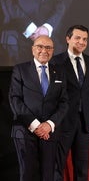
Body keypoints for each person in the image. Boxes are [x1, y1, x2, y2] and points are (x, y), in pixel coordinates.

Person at [9, 35, 69, 181]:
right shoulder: (20, 70)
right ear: (33, 49)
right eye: (40, 47)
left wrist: (49, 124)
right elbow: (15, 99)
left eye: (48, 47)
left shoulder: (59, 71)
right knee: (28, 175)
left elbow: (64, 102)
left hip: (50, 133)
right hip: (25, 132)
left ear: (53, 50)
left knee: (48, 175)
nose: (44, 50)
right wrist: (36, 126)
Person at [50, 25, 89, 181]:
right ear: (68, 39)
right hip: (62, 123)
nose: (81, 42)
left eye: (85, 39)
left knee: (82, 168)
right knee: (57, 167)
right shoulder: (56, 61)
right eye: (77, 38)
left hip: (84, 124)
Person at [0, 0, 65, 66]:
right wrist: (30, 29)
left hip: (52, 39)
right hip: (17, 38)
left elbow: (60, 4)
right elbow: (8, 1)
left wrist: (47, 27)